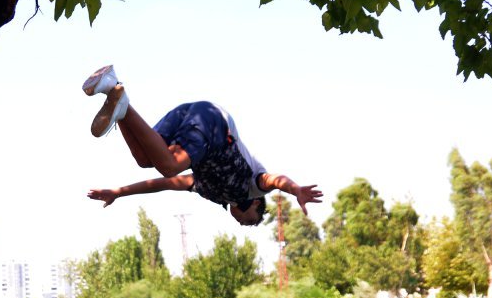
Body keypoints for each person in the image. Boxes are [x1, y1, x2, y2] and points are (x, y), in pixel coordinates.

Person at [82, 64, 323, 225]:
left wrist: (118, 192)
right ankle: (120, 104)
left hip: (191, 115)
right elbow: (276, 180)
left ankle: (115, 92)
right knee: (170, 164)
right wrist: (296, 189)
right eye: (250, 220)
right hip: (215, 124)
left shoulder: (209, 190)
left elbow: (161, 185)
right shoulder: (254, 187)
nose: (242, 223)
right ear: (257, 204)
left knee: (146, 159)